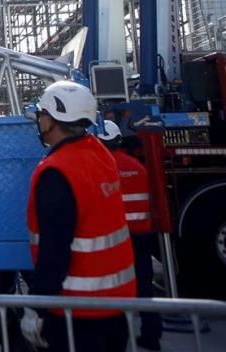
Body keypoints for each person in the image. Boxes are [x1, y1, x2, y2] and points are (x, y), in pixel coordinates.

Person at [25, 81, 135, 352]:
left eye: (41, 115)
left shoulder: (58, 172)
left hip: (76, 311)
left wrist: (37, 307)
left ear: (52, 119)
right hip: (116, 304)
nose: (39, 121)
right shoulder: (101, 155)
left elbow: (55, 251)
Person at [98, 120, 162, 350]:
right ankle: (152, 336)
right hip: (142, 236)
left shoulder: (102, 167)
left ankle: (117, 338)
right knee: (144, 288)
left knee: (114, 290)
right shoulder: (136, 166)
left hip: (115, 239)